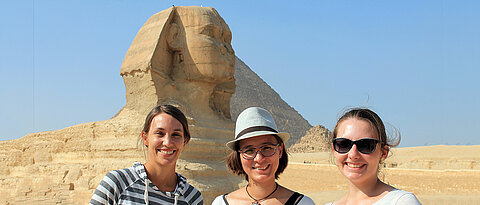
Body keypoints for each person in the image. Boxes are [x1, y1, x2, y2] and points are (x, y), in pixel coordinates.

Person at [90, 105, 203, 205]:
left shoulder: (192, 198)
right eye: (160, 133)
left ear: (185, 142)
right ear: (145, 138)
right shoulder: (117, 183)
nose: (167, 142)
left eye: (176, 135)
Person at [212, 107, 315, 205]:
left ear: (280, 150)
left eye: (267, 148)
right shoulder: (220, 203)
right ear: (239, 155)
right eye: (249, 151)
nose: (259, 158)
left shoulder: (304, 203)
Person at [326, 108, 421, 205]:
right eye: (343, 144)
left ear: (383, 153)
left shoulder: (402, 202)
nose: (353, 154)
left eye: (365, 145)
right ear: (334, 150)